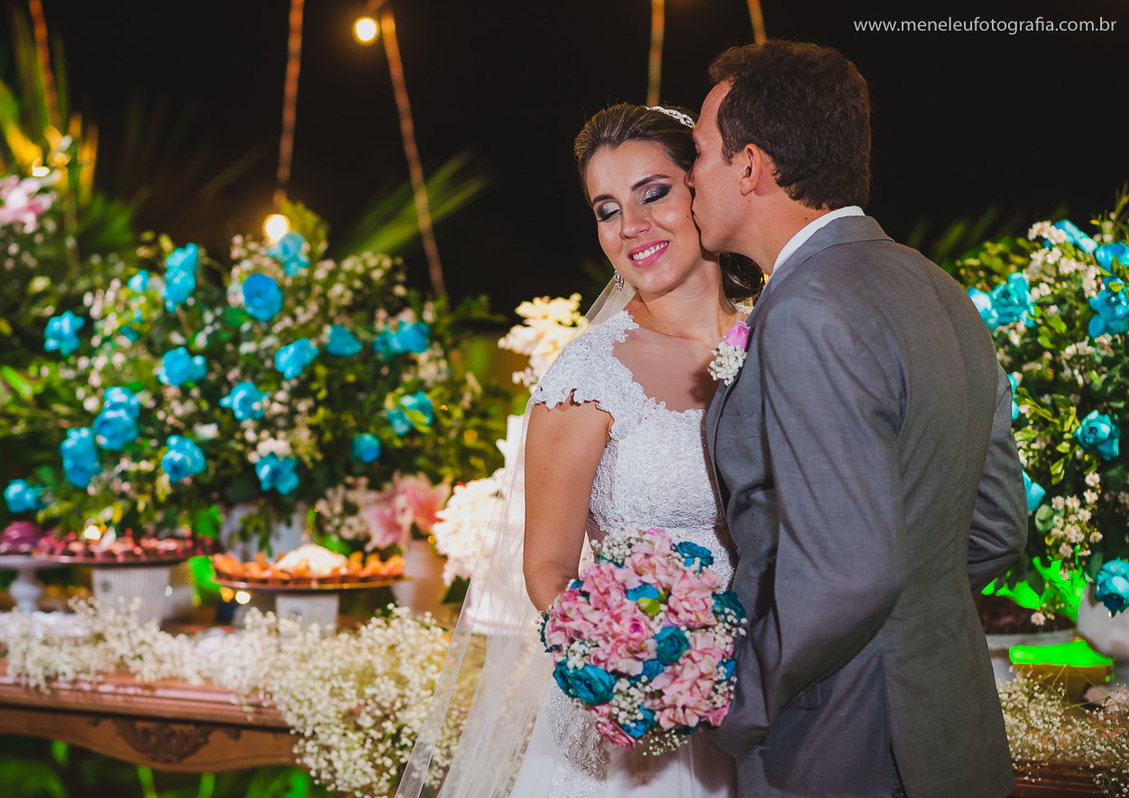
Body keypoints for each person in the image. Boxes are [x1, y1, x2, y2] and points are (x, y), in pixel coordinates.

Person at [688, 40, 1028, 797]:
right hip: (951, 729)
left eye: (701, 153)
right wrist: (904, 620)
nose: (689, 176)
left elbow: (846, 575)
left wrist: (739, 700)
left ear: (750, 167)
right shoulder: (938, 288)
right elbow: (1001, 525)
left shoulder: (808, 306)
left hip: (840, 744)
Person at [395, 103, 761, 798]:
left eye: (653, 193)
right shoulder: (587, 375)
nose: (633, 227)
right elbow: (548, 567)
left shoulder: (779, 340)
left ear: (701, 186)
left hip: (780, 711)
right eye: (607, 209)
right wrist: (644, 666)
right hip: (645, 730)